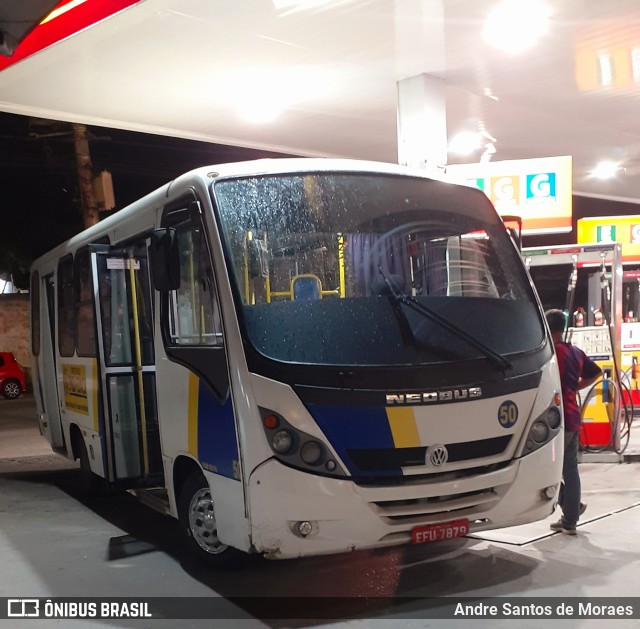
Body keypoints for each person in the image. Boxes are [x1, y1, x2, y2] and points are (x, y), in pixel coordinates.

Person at [545, 309, 602, 535]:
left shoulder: (550, 354)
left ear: (548, 328)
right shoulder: (575, 352)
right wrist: (576, 386)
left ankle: (571, 508)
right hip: (573, 416)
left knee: (545, 469)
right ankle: (571, 512)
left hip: (556, 419)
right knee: (570, 469)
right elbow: (596, 372)